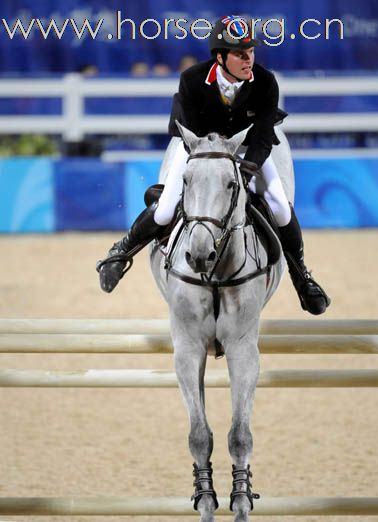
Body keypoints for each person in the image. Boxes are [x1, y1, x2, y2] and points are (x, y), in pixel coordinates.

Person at [97, 15, 331, 315]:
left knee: (280, 206)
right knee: (168, 204)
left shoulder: (265, 82)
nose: (249, 59)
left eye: (251, 52)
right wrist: (210, 163)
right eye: (240, 54)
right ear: (220, 57)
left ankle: (302, 277)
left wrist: (246, 170)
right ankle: (120, 253)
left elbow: (262, 139)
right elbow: (187, 132)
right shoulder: (192, 80)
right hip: (200, 148)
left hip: (247, 150)